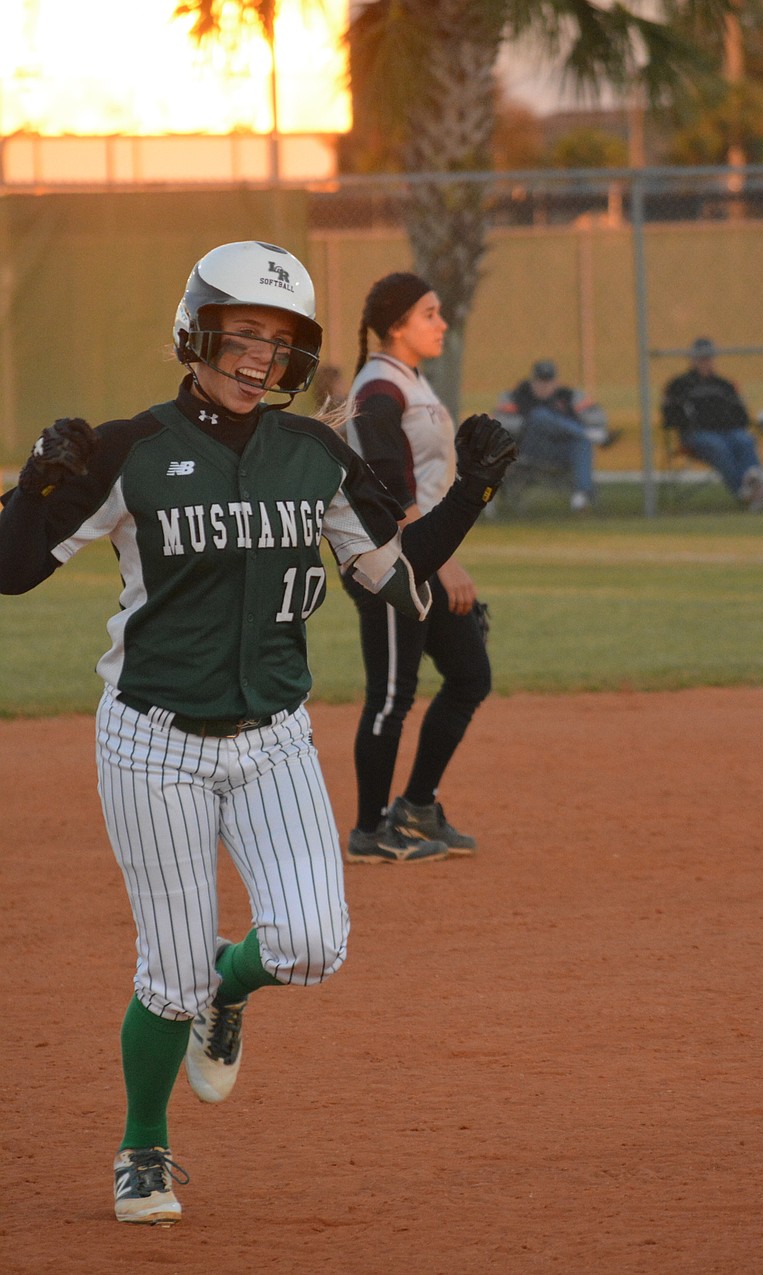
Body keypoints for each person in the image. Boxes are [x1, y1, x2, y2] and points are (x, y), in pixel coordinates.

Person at [0, 241, 516, 1226]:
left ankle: (224, 994)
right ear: (196, 331)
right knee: (168, 968)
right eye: (242, 333)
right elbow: (12, 568)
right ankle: (142, 1148)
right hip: (152, 740)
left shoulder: (312, 455)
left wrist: (471, 496)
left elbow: (396, 580)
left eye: (278, 342)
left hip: (272, 735)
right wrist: (37, 483)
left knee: (312, 945)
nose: (258, 357)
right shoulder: (130, 450)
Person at [341, 271, 497, 865]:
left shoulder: (408, 381)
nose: (441, 323)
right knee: (391, 696)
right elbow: (389, 486)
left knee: (468, 675)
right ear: (395, 326)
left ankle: (417, 806)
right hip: (388, 564)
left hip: (423, 557)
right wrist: (445, 564)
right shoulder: (379, 388)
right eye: (428, 314)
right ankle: (368, 829)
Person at [661, 337, 763, 511]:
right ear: (692, 359)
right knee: (718, 446)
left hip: (728, 431)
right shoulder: (680, 384)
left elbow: (741, 414)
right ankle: (744, 491)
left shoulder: (724, 384)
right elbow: (669, 415)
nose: (705, 362)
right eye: (701, 358)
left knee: (745, 440)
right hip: (696, 433)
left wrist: (734, 423)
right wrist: (687, 423)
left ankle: (754, 483)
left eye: (708, 358)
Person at [499, 359, 621, 512]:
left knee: (581, 443)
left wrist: (562, 426)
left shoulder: (568, 396)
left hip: (560, 451)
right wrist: (528, 423)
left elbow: (598, 416)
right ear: (532, 381)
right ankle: (588, 435)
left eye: (548, 381)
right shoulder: (516, 396)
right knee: (539, 416)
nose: (544, 386)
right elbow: (501, 423)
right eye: (540, 381)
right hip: (529, 449)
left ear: (555, 382)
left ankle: (581, 496)